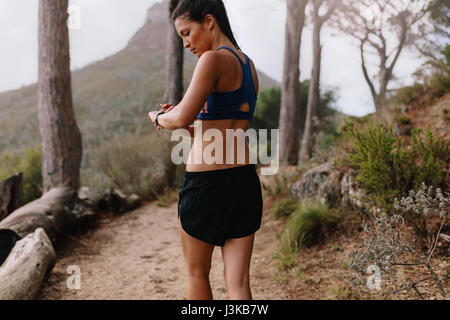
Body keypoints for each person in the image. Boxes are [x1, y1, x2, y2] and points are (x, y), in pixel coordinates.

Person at [148, 0, 263, 300]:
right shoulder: (249, 67)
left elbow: (181, 116)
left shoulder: (211, 60)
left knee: (197, 274)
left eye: (187, 33)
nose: (185, 43)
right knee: (238, 283)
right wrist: (188, 126)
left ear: (209, 21)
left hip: (206, 188)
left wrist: (160, 117)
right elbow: (218, 129)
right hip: (243, 182)